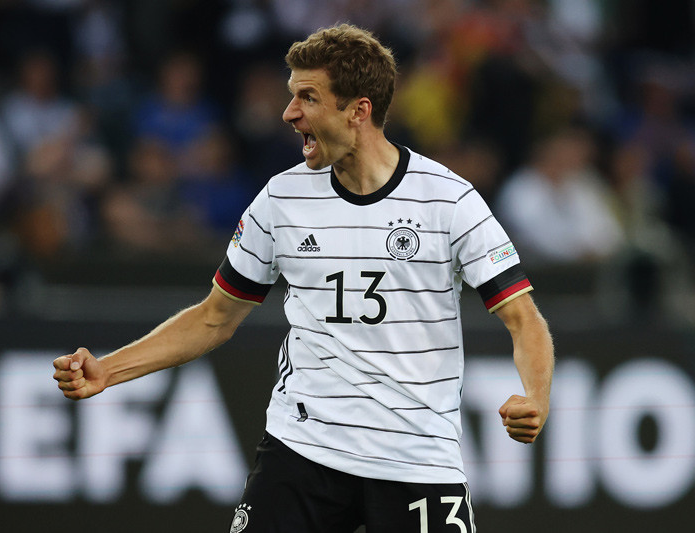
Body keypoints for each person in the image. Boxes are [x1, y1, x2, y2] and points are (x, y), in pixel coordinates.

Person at [53, 24, 554, 532]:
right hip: (303, 451)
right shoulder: (281, 198)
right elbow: (213, 318)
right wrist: (108, 370)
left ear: (358, 110)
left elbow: (523, 318)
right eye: (292, 95)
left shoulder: (449, 201)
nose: (289, 113)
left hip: (417, 459)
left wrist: (536, 397)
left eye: (307, 97)